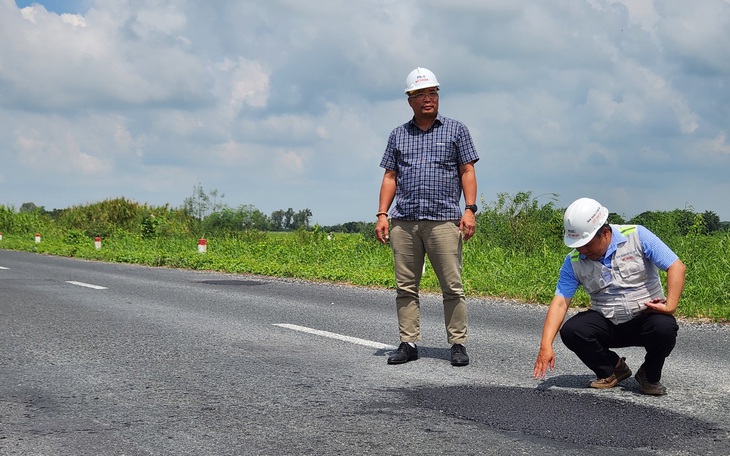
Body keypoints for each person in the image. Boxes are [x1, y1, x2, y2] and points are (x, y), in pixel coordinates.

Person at [375, 67, 479, 367]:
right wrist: (382, 214)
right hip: (404, 221)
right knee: (406, 286)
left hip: (445, 219)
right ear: (410, 100)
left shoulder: (456, 130)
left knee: (452, 286)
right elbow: (390, 176)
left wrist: (469, 209)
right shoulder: (398, 134)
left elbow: (467, 171)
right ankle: (408, 342)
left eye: (432, 93)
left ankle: (457, 343)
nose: (427, 99)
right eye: (420, 94)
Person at [533, 197, 686, 395]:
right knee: (573, 330)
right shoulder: (573, 260)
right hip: (607, 322)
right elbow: (561, 301)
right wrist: (546, 345)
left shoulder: (637, 235)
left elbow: (676, 266)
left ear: (605, 232)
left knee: (664, 327)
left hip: (644, 318)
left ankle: (649, 375)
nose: (583, 251)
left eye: (587, 245)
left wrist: (670, 306)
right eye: (578, 246)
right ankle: (613, 368)